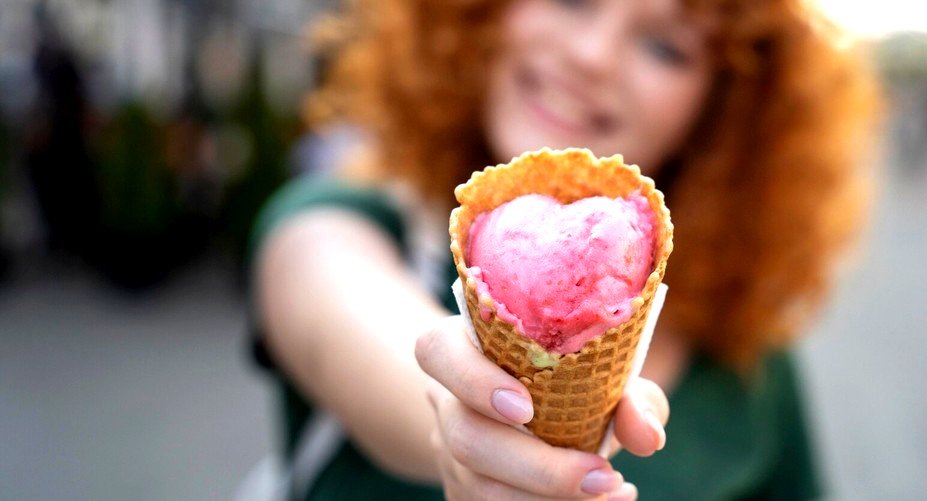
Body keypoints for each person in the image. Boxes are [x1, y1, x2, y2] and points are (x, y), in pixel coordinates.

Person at [248, 0, 876, 498]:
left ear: (723, 105)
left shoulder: (751, 362)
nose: (593, 55)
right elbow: (371, 338)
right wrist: (460, 420)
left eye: (665, 45)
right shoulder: (332, 232)